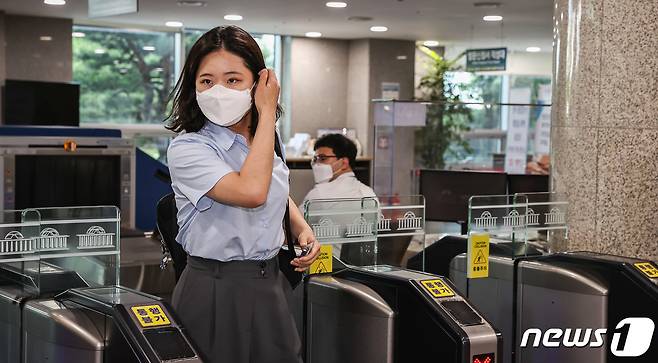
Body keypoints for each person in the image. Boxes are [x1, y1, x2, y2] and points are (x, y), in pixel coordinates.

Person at [165, 25, 320, 363]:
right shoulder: (189, 148)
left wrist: (300, 227)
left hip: (269, 282)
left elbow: (272, 186)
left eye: (233, 79)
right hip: (214, 286)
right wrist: (266, 115)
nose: (218, 90)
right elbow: (250, 191)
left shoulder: (263, 140)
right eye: (207, 81)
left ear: (258, 82)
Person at [300, 133, 376, 264]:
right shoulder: (370, 194)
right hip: (361, 273)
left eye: (322, 158)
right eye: (315, 159)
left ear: (344, 162)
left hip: (323, 269)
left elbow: (292, 230)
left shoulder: (318, 195)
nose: (316, 164)